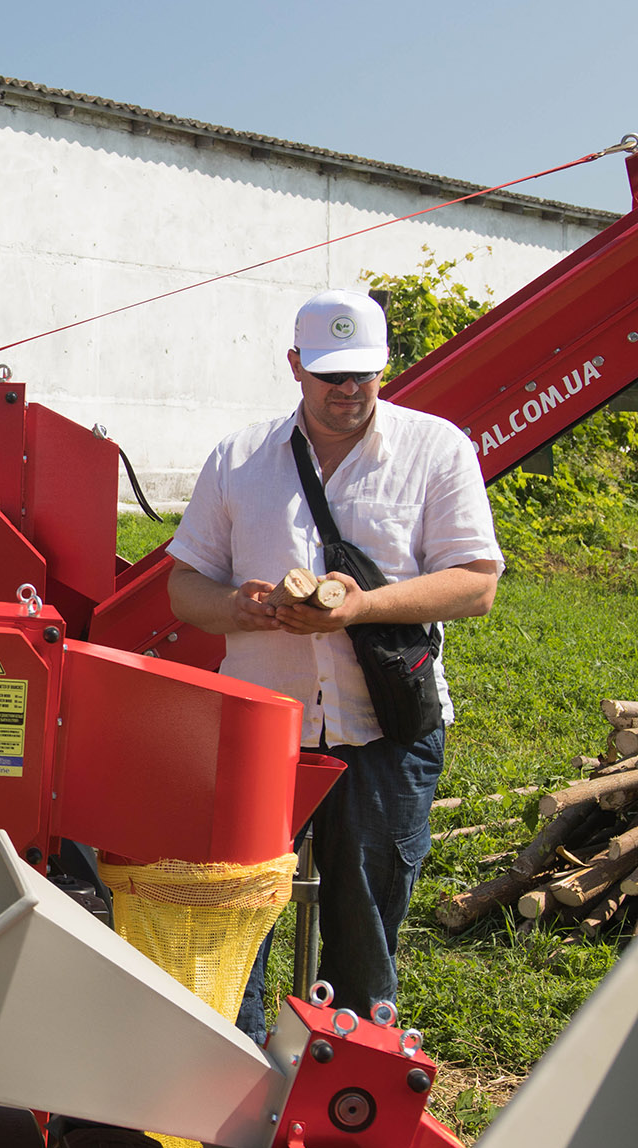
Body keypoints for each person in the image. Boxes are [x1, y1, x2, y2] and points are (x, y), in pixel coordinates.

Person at [166, 290, 501, 1042]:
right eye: (329, 376)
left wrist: (357, 609)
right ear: (294, 366)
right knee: (237, 906)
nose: (349, 391)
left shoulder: (435, 448)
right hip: (262, 724)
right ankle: (235, 1062)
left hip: (384, 726)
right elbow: (185, 587)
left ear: (385, 367)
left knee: (368, 921)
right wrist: (241, 606)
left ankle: (353, 1071)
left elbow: (476, 582)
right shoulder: (240, 457)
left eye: (364, 374)